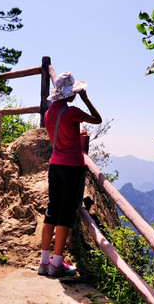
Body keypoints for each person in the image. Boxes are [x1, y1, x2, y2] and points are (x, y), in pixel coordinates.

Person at [38, 72, 102, 277]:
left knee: (51, 211)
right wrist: (86, 99)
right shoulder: (72, 111)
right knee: (65, 215)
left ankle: (43, 262)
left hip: (55, 164)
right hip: (71, 166)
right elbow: (97, 119)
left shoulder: (49, 113)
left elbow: (61, 133)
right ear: (71, 94)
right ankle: (57, 265)